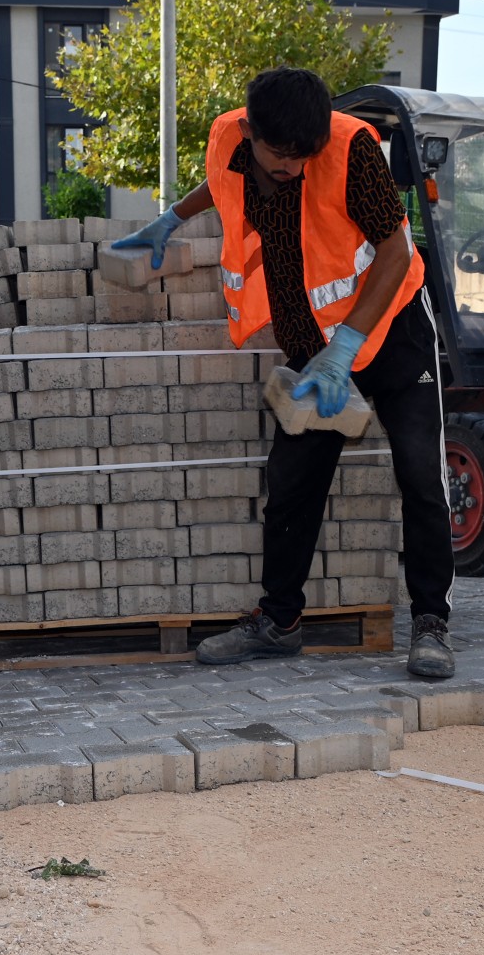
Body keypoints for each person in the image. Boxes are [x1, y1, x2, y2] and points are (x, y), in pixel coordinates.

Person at [115, 67, 458, 680]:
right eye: (280, 155)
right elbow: (222, 184)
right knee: (292, 483)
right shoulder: (228, 139)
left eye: (305, 156)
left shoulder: (350, 150)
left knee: (421, 478)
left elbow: (397, 252)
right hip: (313, 344)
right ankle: (279, 623)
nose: (293, 168)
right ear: (249, 131)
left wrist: (347, 345)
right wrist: (173, 216)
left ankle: (431, 623)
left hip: (393, 332)